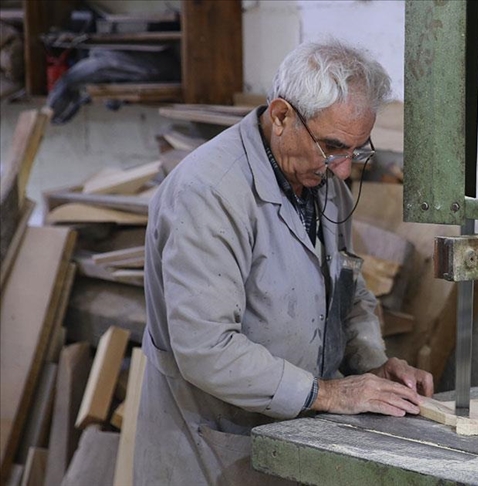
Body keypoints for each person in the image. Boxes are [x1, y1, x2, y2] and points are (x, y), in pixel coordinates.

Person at [134, 39, 433, 485]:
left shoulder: (325, 185)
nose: (344, 169)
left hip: (295, 436)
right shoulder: (209, 193)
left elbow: (350, 292)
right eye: (332, 146)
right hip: (213, 448)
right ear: (280, 116)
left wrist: (370, 362)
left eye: (356, 150)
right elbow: (205, 348)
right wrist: (329, 393)